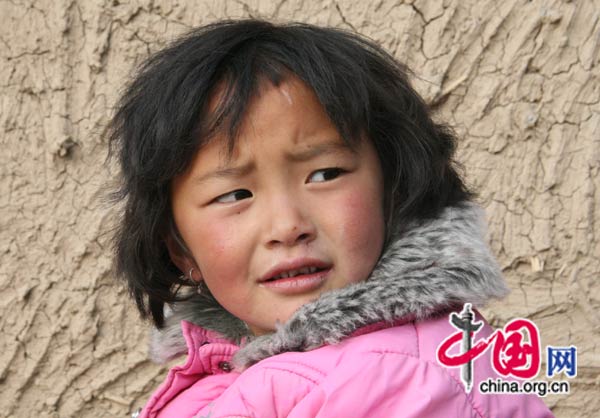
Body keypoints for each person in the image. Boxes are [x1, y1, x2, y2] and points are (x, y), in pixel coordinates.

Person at [108, 19, 554, 418]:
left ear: (393, 191)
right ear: (180, 249)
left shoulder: (397, 378)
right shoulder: (235, 370)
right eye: (235, 194)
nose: (287, 226)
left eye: (325, 174)